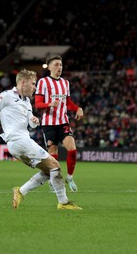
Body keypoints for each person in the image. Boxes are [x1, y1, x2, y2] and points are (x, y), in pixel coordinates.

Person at [0, 69, 82, 211]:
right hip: (19, 141)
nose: (35, 87)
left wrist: (34, 120)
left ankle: (20, 192)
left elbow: (31, 122)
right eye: (33, 84)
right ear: (23, 83)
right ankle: (63, 203)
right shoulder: (6, 96)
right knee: (55, 165)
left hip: (19, 144)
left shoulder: (27, 101)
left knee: (49, 171)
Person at [35, 55, 84, 192]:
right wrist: (49, 104)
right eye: (56, 65)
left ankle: (69, 177)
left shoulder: (65, 83)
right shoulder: (43, 82)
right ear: (49, 67)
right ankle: (53, 178)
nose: (59, 67)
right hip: (49, 123)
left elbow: (68, 102)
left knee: (72, 149)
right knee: (53, 153)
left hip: (63, 122)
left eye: (61, 65)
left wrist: (78, 108)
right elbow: (38, 104)